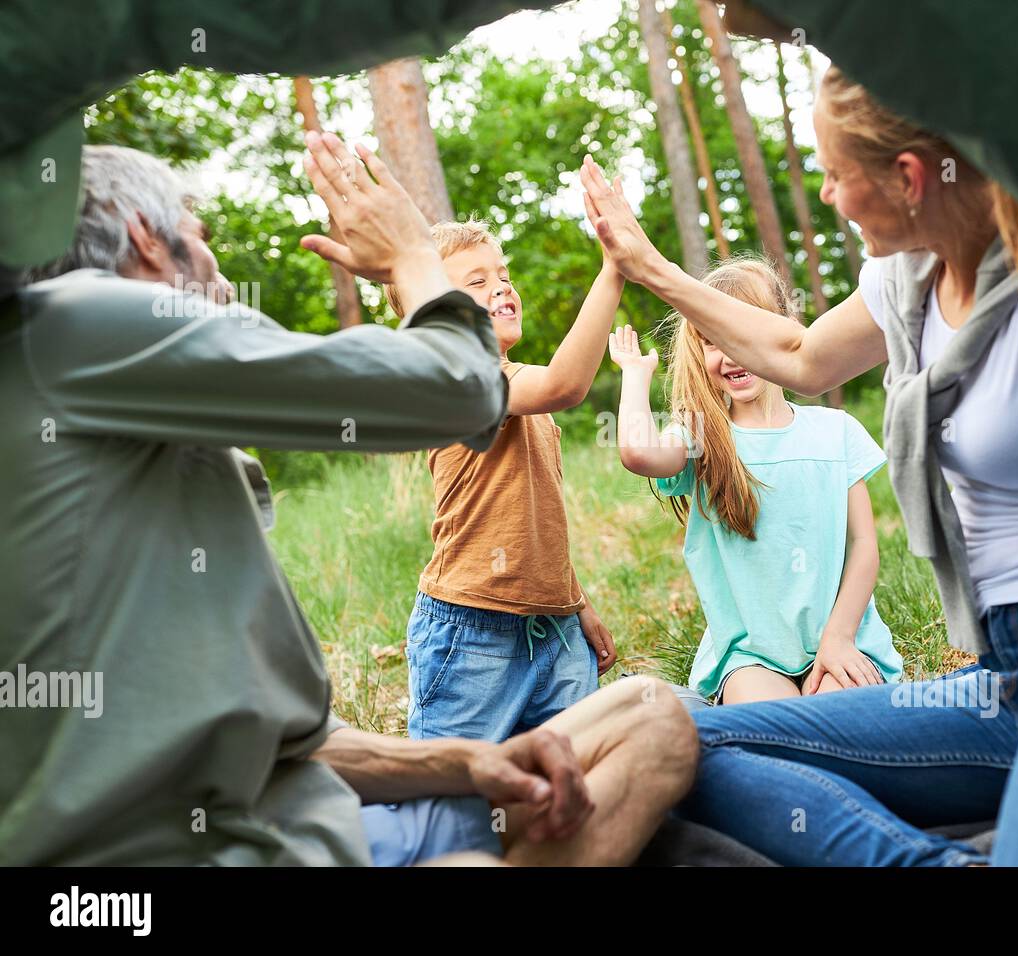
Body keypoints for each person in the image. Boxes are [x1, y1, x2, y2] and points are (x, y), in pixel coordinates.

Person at [579, 64, 1018, 865]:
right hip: (1010, 671)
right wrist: (648, 266)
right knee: (676, 741)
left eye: (833, 175)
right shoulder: (905, 283)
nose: (825, 195)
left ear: (907, 179)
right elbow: (796, 352)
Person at [0, 132, 696, 866]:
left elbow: (289, 744)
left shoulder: (155, 469)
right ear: (145, 240)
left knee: (655, 715)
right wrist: (410, 256)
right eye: (200, 236)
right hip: (268, 842)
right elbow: (454, 385)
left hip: (320, 818)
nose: (219, 267)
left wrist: (463, 764)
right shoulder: (74, 324)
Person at [608, 257, 901, 704]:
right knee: (775, 727)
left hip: (842, 640)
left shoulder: (835, 431)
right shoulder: (701, 436)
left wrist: (838, 638)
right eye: (711, 342)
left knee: (842, 725)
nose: (728, 355)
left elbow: (863, 547)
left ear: (781, 331)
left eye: (741, 336)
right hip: (751, 656)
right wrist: (634, 374)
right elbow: (638, 452)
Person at [388, 218, 622, 742]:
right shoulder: (457, 384)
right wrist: (613, 271)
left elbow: (535, 522)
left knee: (575, 781)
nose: (500, 287)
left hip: (555, 631)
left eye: (503, 274)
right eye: (475, 282)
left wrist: (575, 602)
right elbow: (565, 384)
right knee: (455, 799)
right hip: (471, 634)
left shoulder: (524, 393)